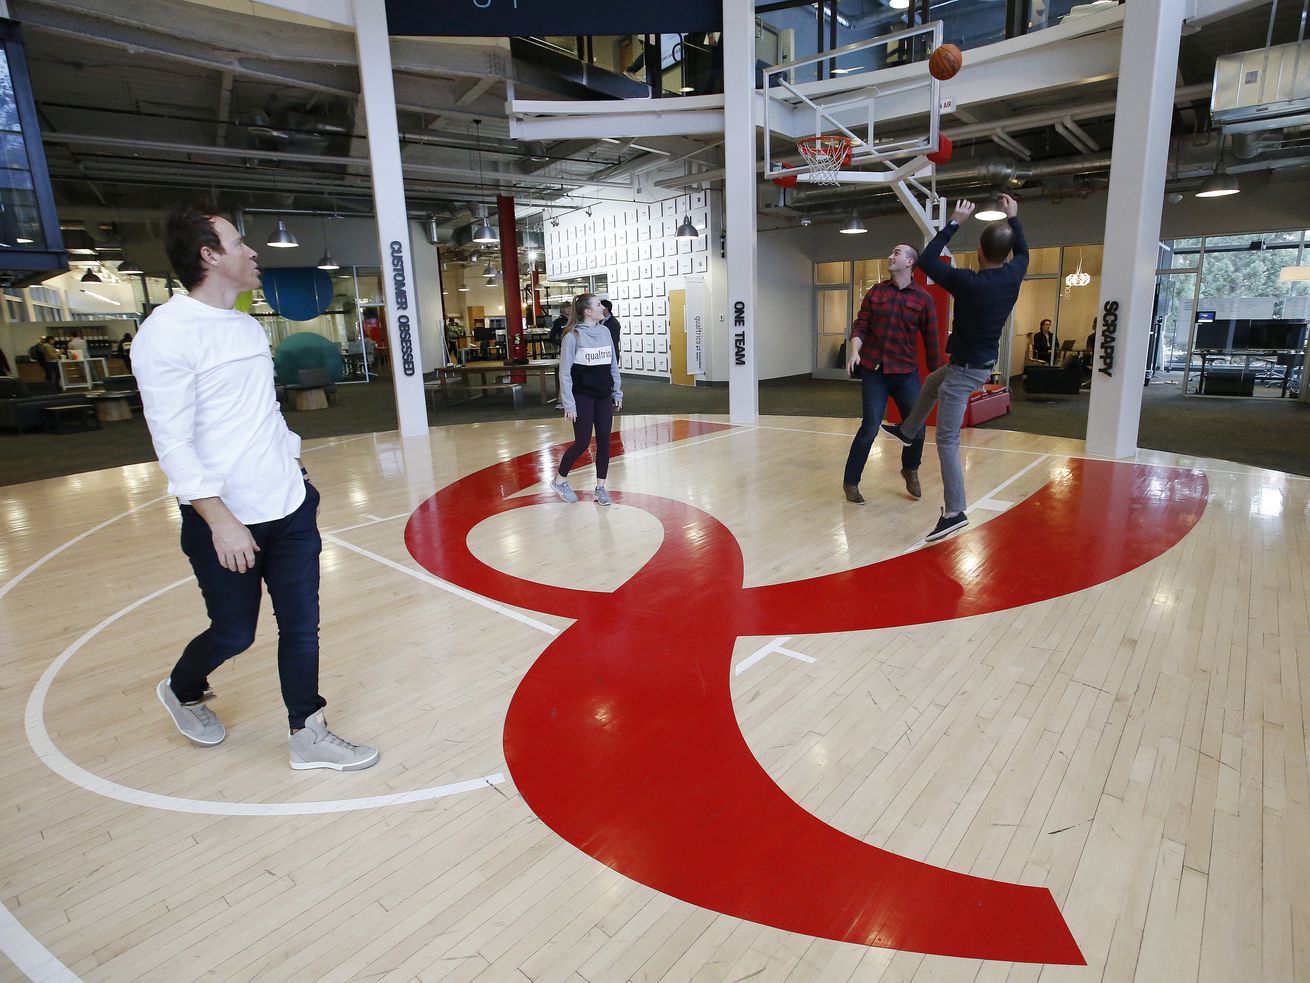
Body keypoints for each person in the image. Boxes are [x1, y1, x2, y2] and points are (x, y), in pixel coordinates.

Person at [133, 198, 377, 771]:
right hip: (226, 522)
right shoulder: (165, 335)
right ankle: (182, 686)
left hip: (289, 506)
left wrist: (294, 465)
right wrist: (220, 520)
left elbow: (260, 411)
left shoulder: (244, 326)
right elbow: (173, 444)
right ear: (209, 256)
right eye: (239, 243)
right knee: (235, 632)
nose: (253, 251)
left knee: (301, 626)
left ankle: (307, 732)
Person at [882, 194, 1029, 543]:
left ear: (979, 251)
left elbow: (928, 260)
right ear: (1005, 255)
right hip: (975, 365)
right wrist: (1014, 220)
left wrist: (954, 223)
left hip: (965, 371)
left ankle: (954, 511)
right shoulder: (1013, 274)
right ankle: (908, 429)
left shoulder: (970, 282)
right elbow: (1023, 251)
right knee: (932, 380)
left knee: (947, 439)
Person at [841, 242, 939, 505]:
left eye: (896, 252)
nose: (890, 255)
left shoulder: (923, 299)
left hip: (906, 372)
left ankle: (910, 468)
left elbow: (931, 341)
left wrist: (940, 376)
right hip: (875, 371)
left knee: (915, 428)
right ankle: (851, 482)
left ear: (909, 263)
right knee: (869, 427)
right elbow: (860, 325)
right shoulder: (875, 292)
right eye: (891, 251)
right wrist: (854, 352)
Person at [550, 293, 624, 507]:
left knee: (604, 442)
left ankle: (601, 488)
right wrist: (568, 403)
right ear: (587, 311)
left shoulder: (605, 332)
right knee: (582, 442)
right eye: (599, 305)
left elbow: (613, 366)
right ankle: (559, 480)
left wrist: (617, 391)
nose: (604, 308)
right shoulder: (572, 337)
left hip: (603, 396)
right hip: (582, 397)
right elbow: (564, 373)